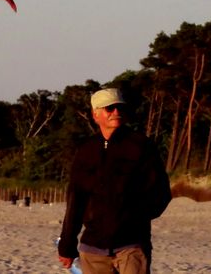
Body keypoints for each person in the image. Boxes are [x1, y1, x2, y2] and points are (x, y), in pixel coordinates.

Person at [57, 88, 171, 274]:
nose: (116, 112)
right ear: (96, 114)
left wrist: (133, 218)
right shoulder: (86, 150)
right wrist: (67, 245)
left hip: (132, 245)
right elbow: (76, 200)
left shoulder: (141, 146)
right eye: (109, 108)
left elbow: (161, 193)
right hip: (92, 248)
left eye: (119, 108)